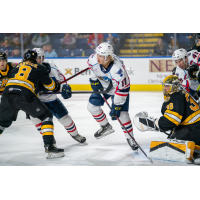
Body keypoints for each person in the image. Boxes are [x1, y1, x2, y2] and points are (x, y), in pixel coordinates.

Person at [0, 49, 64, 159]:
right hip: (24, 95)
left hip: (7, 94)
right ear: (36, 59)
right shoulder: (41, 67)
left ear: (24, 59)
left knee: (2, 123)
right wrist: (57, 86)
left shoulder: (17, 66)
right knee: (46, 116)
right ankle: (50, 147)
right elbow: (50, 86)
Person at [133, 75, 200, 164]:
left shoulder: (175, 98)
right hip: (194, 126)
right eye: (164, 85)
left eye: (167, 86)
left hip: (195, 129)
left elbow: (170, 122)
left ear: (174, 86)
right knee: (173, 138)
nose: (164, 88)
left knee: (172, 145)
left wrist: (149, 123)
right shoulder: (181, 92)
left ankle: (197, 152)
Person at [87, 42, 138, 151]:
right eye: (97, 54)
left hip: (118, 90)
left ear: (108, 57)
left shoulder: (118, 70)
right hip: (103, 86)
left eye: (101, 56)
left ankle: (131, 138)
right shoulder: (93, 59)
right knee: (92, 107)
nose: (97, 57)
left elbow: (123, 88)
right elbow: (93, 69)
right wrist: (94, 80)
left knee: (122, 114)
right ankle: (105, 126)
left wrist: (117, 105)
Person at [31, 48, 86, 144]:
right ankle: (48, 138)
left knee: (65, 118)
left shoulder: (52, 67)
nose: (36, 60)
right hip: (36, 101)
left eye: (38, 58)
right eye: (33, 58)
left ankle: (75, 134)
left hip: (52, 100)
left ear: (43, 57)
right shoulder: (27, 69)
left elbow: (62, 79)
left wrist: (64, 87)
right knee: (36, 120)